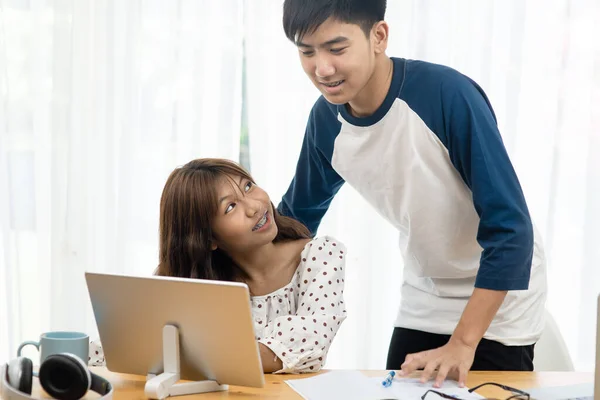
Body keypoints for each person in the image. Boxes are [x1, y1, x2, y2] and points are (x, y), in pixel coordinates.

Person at [278, 0, 547, 387]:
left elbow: (511, 230)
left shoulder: (447, 95)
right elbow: (295, 222)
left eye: (336, 49)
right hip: (427, 293)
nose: (322, 68)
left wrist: (463, 342)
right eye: (306, 51)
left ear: (378, 36)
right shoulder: (326, 121)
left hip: (500, 297)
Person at [90, 158, 348, 373]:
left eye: (248, 187)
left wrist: (188, 355)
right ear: (209, 238)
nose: (255, 207)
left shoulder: (320, 255)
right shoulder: (198, 281)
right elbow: (129, 344)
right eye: (231, 206)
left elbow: (310, 339)